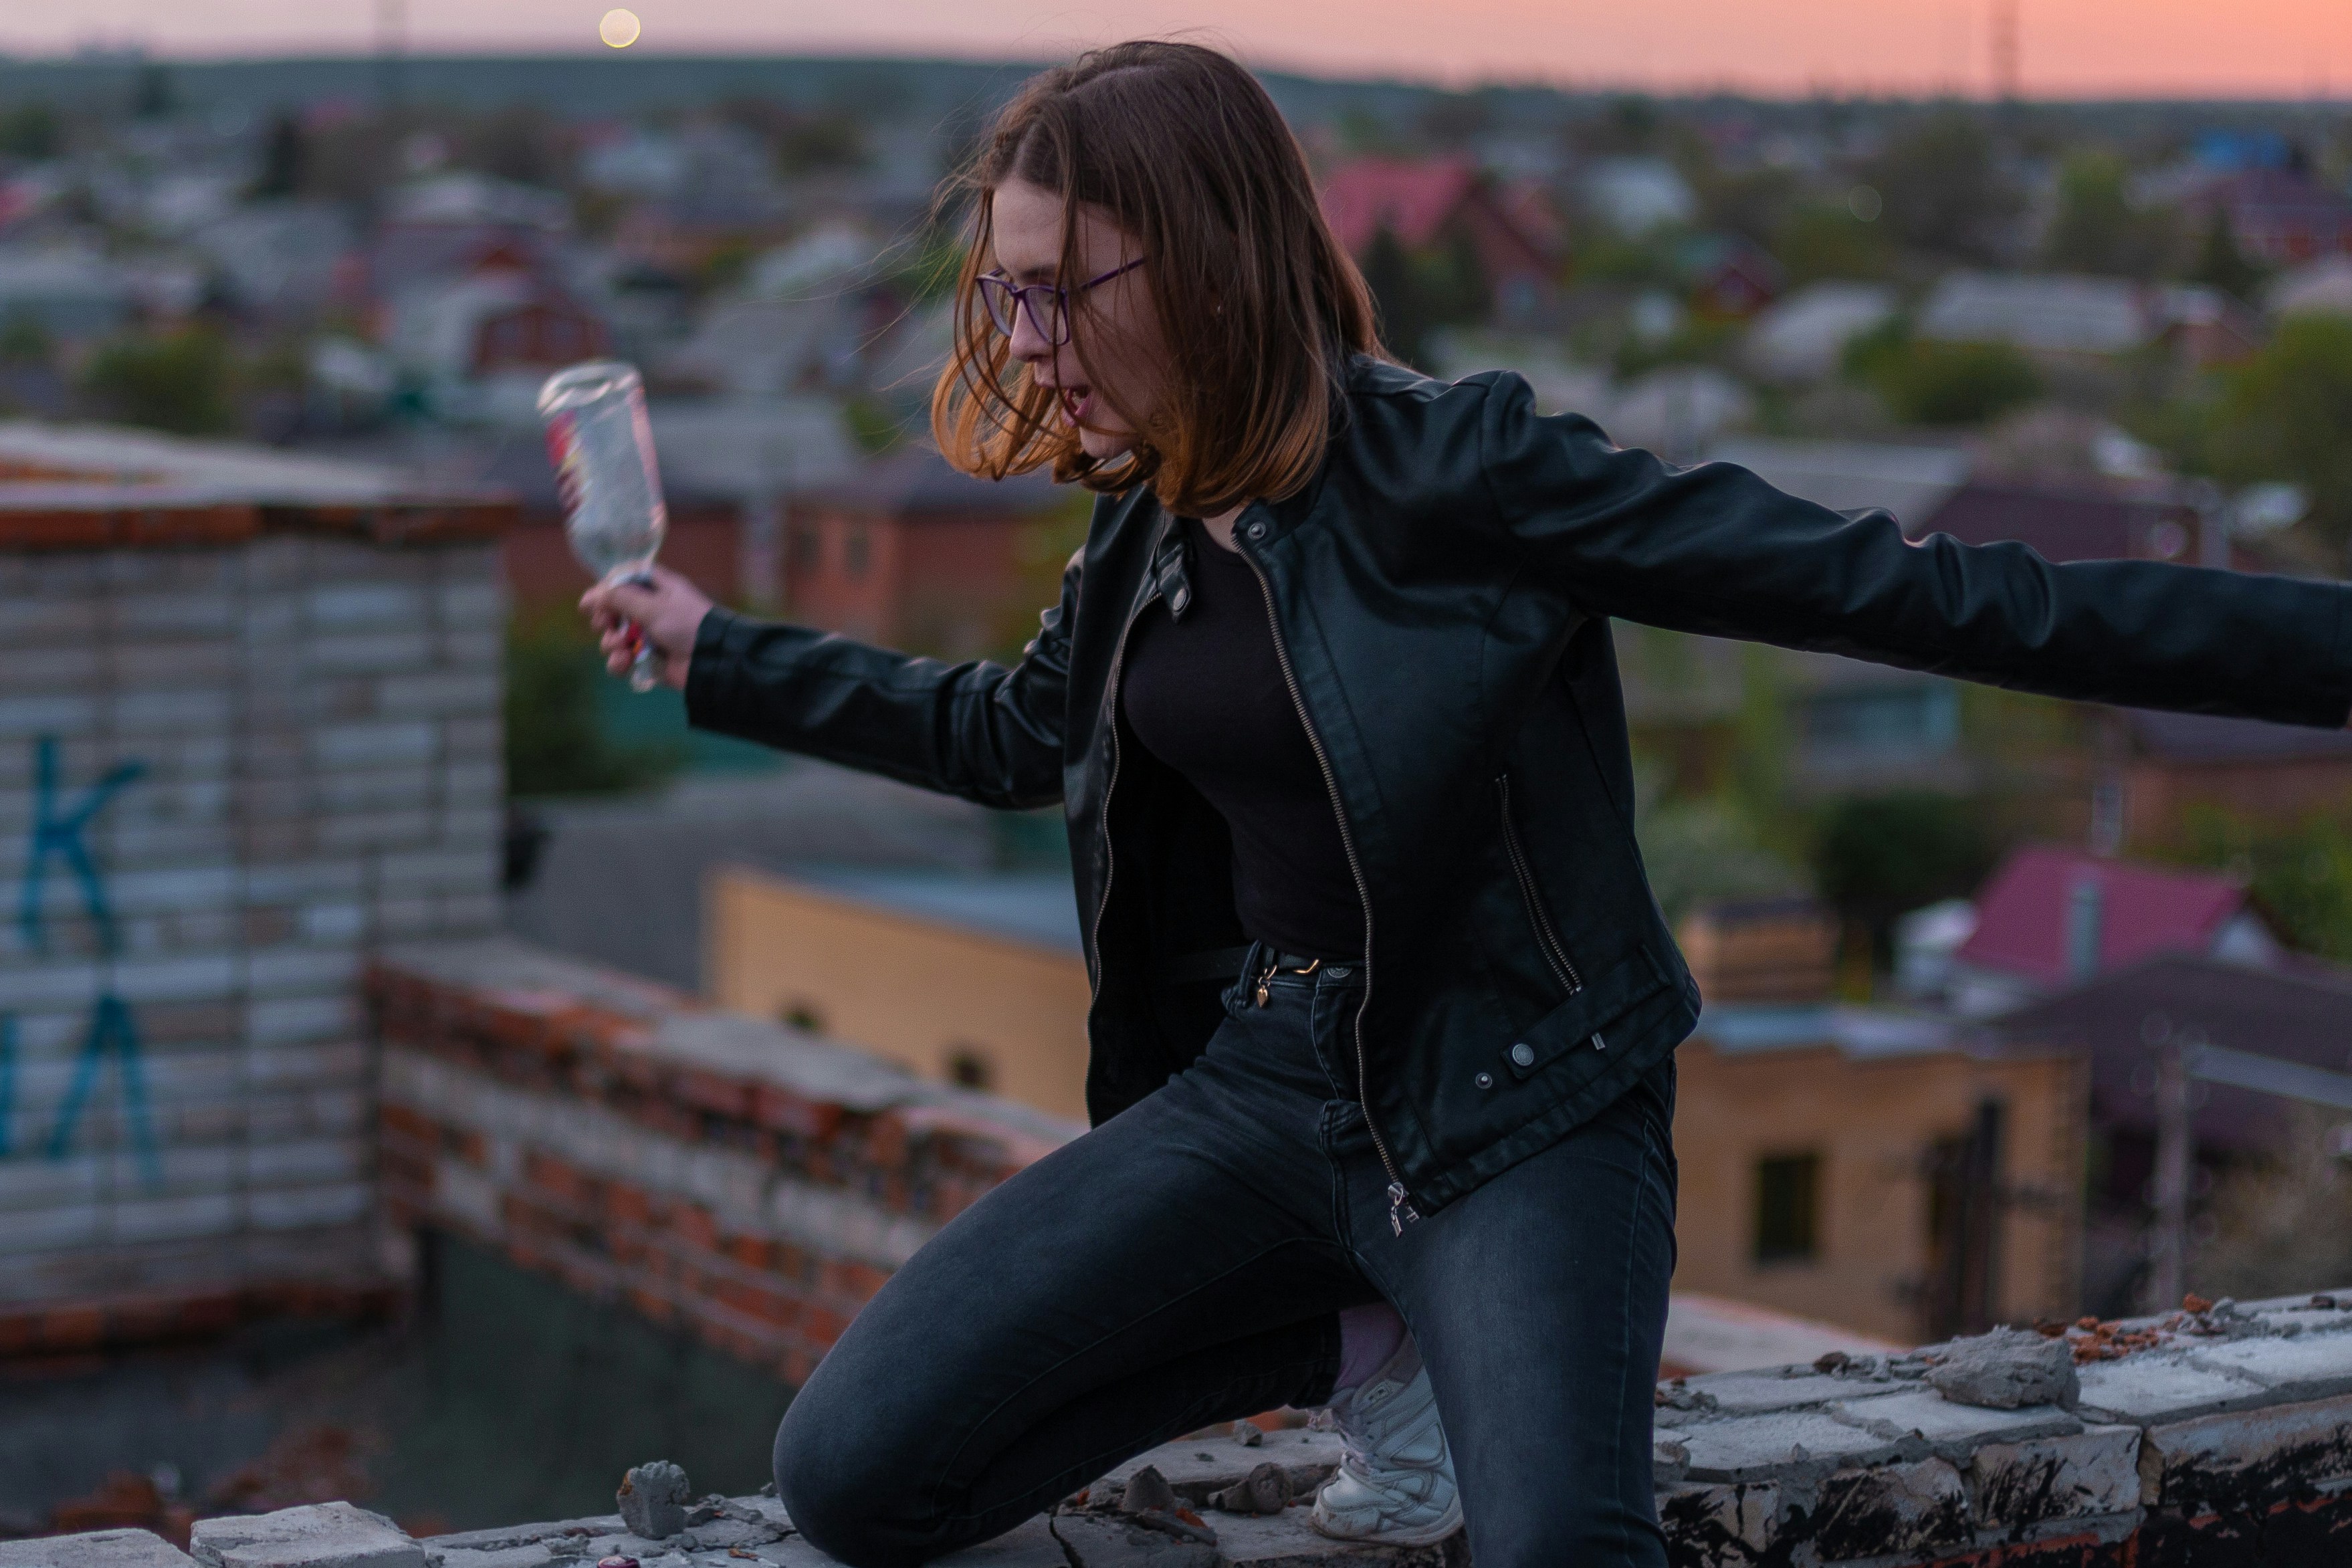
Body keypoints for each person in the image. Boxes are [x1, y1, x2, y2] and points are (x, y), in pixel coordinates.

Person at [583, 41, 2352, 1568]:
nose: (1027, 342)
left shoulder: (1467, 470)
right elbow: (1010, 732)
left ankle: (1416, 1315)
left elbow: (1917, 591)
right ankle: (1358, 1340)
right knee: (855, 1473)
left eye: (1061, 289)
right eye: (1008, 295)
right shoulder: (1144, 513)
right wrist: (718, 651)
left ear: (1202, 261)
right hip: (1267, 1085)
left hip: (1516, 1099)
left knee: (1561, 1547)